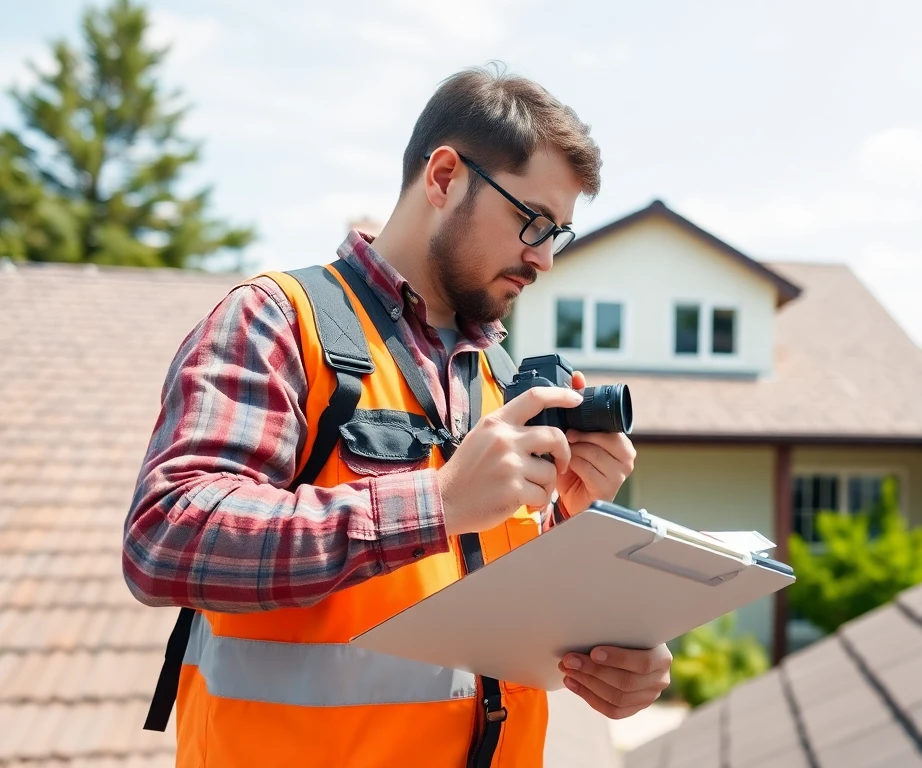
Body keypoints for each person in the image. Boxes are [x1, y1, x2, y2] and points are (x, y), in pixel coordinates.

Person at [122, 64, 670, 767]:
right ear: (443, 177)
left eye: (557, 235)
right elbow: (166, 537)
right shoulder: (278, 323)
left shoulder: (504, 382)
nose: (544, 260)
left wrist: (610, 643)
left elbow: (487, 615)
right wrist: (436, 502)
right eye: (532, 221)